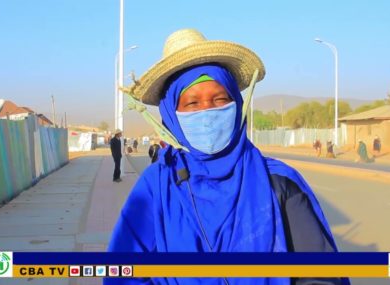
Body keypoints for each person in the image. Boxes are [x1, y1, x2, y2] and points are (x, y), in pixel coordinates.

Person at [106, 29, 346, 285]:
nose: (208, 111)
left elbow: (320, 275)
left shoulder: (277, 182)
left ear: (237, 105)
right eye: (192, 104)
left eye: (220, 99)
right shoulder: (155, 187)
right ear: (172, 116)